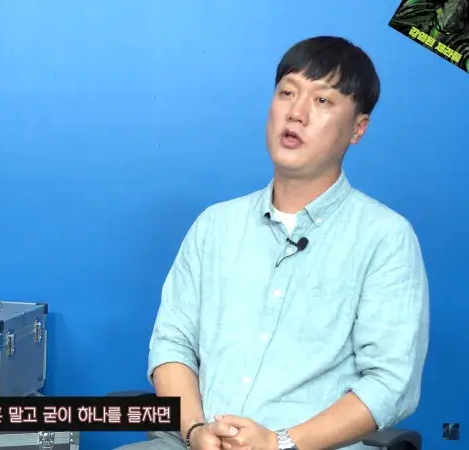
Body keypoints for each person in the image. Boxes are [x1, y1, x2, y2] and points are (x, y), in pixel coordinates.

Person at [116, 36, 429, 450]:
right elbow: (173, 344)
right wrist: (195, 430)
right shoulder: (215, 226)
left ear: (358, 128)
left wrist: (280, 442)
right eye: (287, 93)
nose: (297, 112)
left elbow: (390, 383)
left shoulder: (384, 237)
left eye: (322, 100)